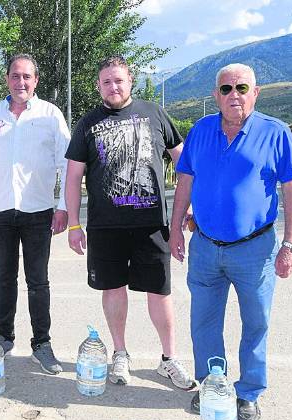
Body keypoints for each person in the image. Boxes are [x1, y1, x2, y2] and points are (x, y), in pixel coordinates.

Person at [169, 63, 292, 420]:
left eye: (242, 88)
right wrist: (174, 229)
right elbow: (185, 181)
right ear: (215, 94)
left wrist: (291, 245)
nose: (234, 95)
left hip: (255, 250)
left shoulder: (275, 133)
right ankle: (214, 385)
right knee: (204, 322)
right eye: (226, 89)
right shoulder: (200, 130)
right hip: (206, 247)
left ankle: (248, 393)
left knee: (256, 322)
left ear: (255, 93)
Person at [64, 55, 196, 390]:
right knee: (113, 289)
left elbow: (187, 164)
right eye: (106, 81)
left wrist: (191, 208)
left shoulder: (154, 113)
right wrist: (74, 225)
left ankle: (169, 359)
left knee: (160, 292)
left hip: (151, 224)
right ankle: (120, 353)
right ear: (99, 85)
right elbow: (73, 176)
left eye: (118, 80)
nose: (113, 87)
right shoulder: (87, 123)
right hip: (105, 227)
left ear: (130, 81)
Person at [0, 53, 70, 375]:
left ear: (36, 81)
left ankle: (42, 344)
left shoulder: (51, 115)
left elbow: (67, 162)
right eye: (15, 76)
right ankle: (4, 337)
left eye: (27, 76)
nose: (20, 82)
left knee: (38, 281)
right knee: (4, 278)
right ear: (7, 79)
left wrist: (64, 206)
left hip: (39, 212)